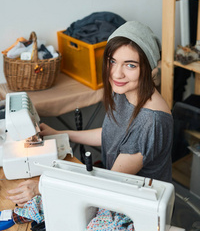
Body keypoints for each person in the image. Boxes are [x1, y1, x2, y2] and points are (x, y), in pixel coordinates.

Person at [7, 20, 173, 207]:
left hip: (142, 209)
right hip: (119, 193)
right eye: (112, 61)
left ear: (148, 68)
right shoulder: (125, 90)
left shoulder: (150, 121)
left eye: (130, 65)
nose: (117, 74)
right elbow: (110, 134)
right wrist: (61, 134)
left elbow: (110, 181)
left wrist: (41, 186)